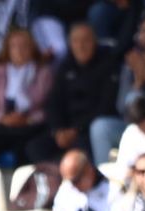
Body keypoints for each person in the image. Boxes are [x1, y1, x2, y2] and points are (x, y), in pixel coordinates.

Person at [34, 22, 115, 164]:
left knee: (81, 152)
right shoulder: (65, 66)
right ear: (70, 44)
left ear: (95, 42)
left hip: (89, 130)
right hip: (65, 130)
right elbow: (53, 102)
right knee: (36, 147)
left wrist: (76, 130)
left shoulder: (108, 65)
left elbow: (106, 106)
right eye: (76, 41)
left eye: (86, 40)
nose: (81, 46)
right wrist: (57, 130)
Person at [0, 27, 53, 164]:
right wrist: (2, 118)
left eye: (24, 46)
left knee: (26, 151)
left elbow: (49, 106)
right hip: (2, 124)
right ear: (7, 49)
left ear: (32, 48)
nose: (19, 50)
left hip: (31, 127)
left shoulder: (44, 73)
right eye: (14, 46)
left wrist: (28, 120)